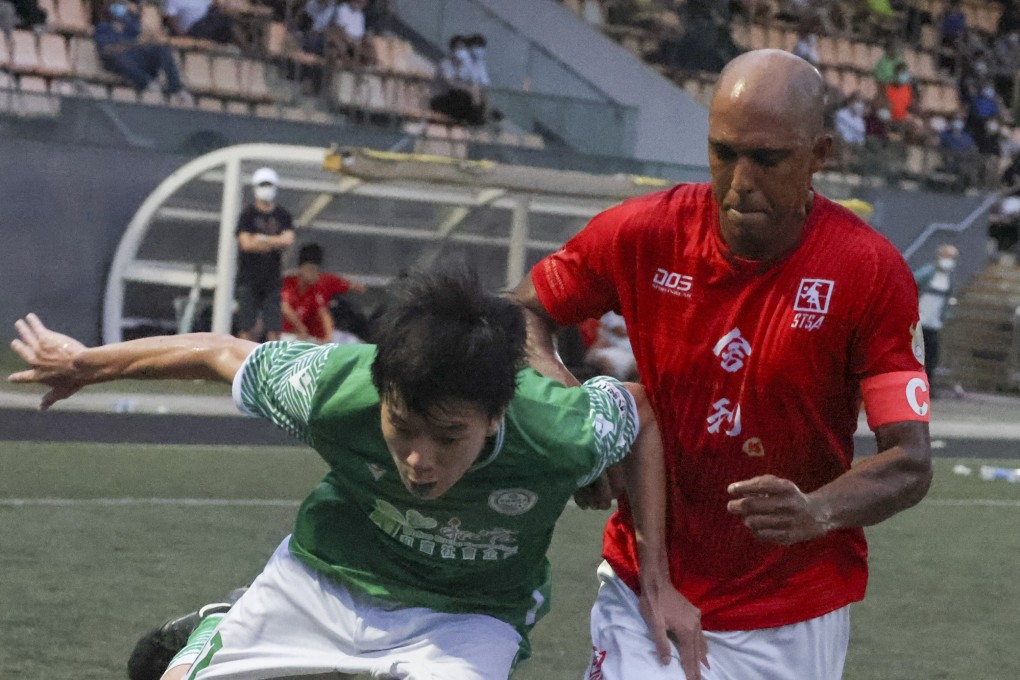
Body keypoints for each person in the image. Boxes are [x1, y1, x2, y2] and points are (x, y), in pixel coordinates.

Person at [10, 268, 697, 680]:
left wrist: (657, 580)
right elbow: (222, 352)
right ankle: (223, 623)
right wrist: (87, 364)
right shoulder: (340, 385)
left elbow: (641, 414)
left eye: (447, 436)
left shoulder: (561, 426)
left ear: (497, 414)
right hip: (320, 584)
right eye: (402, 428)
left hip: (466, 619)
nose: (419, 459)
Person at [513, 48, 933, 680]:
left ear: (820, 156)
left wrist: (816, 509)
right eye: (723, 152)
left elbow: (910, 461)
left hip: (793, 613)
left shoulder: (869, 272)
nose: (739, 180)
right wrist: (578, 423)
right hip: (645, 586)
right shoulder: (644, 233)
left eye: (766, 159)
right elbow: (521, 313)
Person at [235, 166, 294, 342]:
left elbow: (288, 240)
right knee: (246, 326)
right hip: (248, 278)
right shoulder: (248, 215)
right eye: (263, 184)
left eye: (269, 185)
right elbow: (245, 243)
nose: (266, 189)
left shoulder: (282, 215)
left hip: (272, 280)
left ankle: (272, 364)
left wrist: (261, 239)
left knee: (273, 327)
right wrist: (275, 241)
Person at [94, 2, 193, 103]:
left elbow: (143, 38)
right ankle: (147, 83)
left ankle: (177, 87)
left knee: (162, 48)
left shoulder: (130, 26)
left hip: (136, 59)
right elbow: (107, 50)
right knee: (120, 58)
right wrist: (132, 44)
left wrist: (149, 38)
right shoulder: (102, 28)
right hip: (118, 63)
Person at [280, 242, 367, 344]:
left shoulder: (315, 288)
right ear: (301, 269)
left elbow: (323, 313)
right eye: (310, 269)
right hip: (285, 336)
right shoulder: (287, 283)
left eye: (316, 270)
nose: (314, 274)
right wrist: (301, 328)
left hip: (306, 337)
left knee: (359, 345)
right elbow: (284, 307)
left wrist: (328, 338)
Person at [913, 244, 959, 384]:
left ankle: (928, 385)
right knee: (915, 355)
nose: (949, 261)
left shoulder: (948, 279)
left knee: (932, 357)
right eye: (947, 257)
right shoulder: (927, 273)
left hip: (933, 324)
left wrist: (945, 315)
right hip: (918, 323)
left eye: (953, 258)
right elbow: (911, 285)